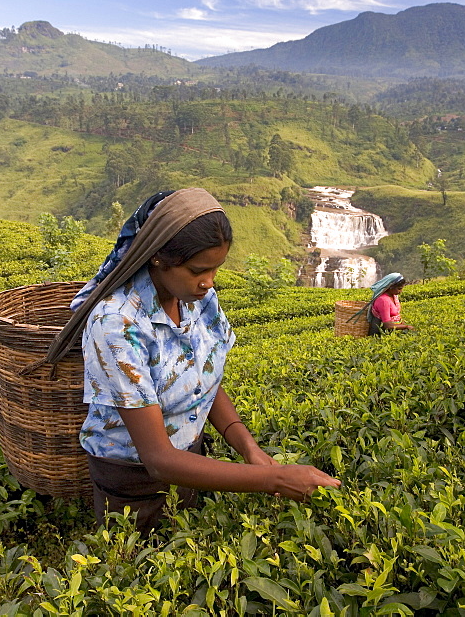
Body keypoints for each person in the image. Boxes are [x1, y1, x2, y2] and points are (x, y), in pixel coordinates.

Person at [39, 188, 340, 534]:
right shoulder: (116, 322)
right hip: (134, 482)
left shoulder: (197, 298)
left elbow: (202, 379)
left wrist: (249, 448)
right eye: (199, 270)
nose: (209, 282)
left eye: (216, 269)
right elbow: (159, 460)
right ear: (158, 258)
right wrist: (274, 478)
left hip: (191, 463)